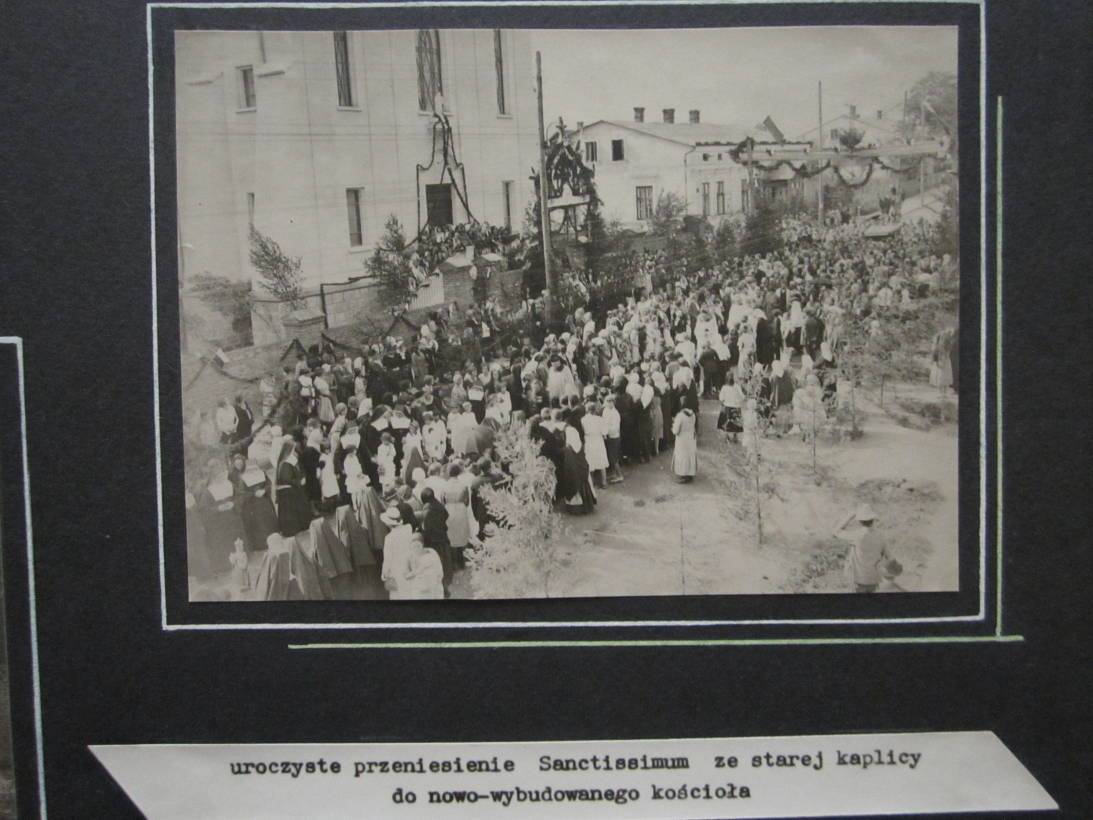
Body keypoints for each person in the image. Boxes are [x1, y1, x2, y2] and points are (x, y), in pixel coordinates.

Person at [833, 503, 891, 593]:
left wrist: (851, 515)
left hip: (859, 580)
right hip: (874, 580)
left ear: (860, 521)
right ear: (873, 519)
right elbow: (889, 557)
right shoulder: (880, 536)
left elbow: (836, 531)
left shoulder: (856, 535)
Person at [273, 438, 312, 538]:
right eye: (294, 450)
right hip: (288, 492)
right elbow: (286, 479)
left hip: (293, 490)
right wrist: (299, 482)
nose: (295, 452)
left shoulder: (291, 461)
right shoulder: (286, 463)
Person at [379, 505, 414, 600]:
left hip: (396, 572)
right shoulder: (409, 529)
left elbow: (387, 560)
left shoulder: (389, 538)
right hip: (409, 568)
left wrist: (384, 575)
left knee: (398, 595)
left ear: (388, 524)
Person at [404, 533, 444, 599]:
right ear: (410, 546)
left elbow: (439, 570)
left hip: (433, 587)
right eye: (414, 547)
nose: (416, 549)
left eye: (418, 546)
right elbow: (406, 576)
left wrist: (436, 582)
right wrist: (417, 571)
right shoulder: (409, 557)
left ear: (422, 544)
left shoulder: (431, 552)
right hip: (418, 590)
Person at [671, 407, 698, 483]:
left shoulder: (680, 416)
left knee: (682, 456)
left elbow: (675, 431)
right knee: (690, 456)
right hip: (691, 439)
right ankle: (690, 474)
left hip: (682, 440)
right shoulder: (693, 415)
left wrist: (673, 424)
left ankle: (683, 475)